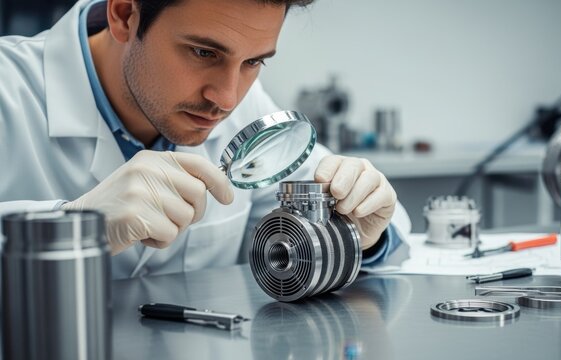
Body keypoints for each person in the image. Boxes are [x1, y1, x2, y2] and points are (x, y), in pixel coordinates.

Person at [0, 0, 411, 279]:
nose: (227, 99)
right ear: (125, 14)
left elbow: (373, 220)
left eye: (253, 62)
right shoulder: (9, 89)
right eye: (203, 53)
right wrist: (72, 230)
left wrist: (360, 232)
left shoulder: (246, 111)